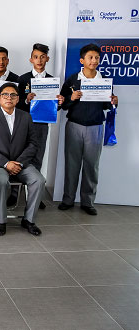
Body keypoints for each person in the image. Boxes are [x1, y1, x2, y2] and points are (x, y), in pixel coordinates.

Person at [58, 43, 118, 215]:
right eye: (90, 57)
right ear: (82, 60)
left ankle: (88, 201)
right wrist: (72, 97)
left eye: (97, 57)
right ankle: (68, 199)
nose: (94, 60)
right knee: (72, 164)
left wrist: (113, 101)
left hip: (95, 127)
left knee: (92, 166)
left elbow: (107, 104)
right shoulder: (72, 79)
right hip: (74, 126)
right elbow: (63, 104)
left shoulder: (104, 79)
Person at [0, 83, 45, 236]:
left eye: (13, 95)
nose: (9, 98)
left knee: (39, 180)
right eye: (5, 95)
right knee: (2, 181)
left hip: (21, 163)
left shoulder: (26, 116)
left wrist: (19, 163)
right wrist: (6, 163)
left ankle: (29, 220)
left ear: (18, 99)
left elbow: (33, 143)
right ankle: (1, 221)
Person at [16, 43, 65, 209]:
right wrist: (26, 99)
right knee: (19, 156)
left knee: (37, 158)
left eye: (42, 57)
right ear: (31, 59)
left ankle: (35, 196)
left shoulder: (52, 81)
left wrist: (59, 103)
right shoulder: (22, 79)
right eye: (36, 57)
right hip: (23, 124)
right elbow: (14, 104)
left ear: (47, 59)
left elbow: (53, 107)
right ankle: (14, 194)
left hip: (41, 125)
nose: (39, 60)